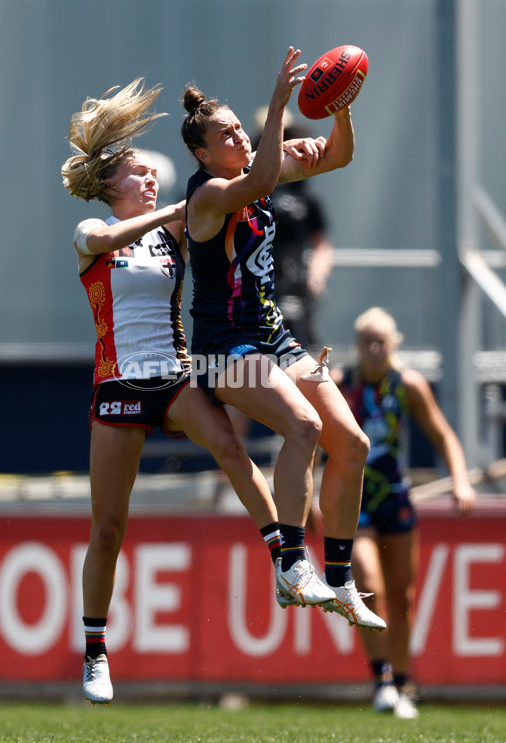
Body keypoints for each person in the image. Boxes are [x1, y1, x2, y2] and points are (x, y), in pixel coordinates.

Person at [61, 79, 285, 705]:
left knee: (228, 446)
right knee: (109, 527)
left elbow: (225, 212)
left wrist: (267, 168)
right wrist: (174, 213)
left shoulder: (174, 232)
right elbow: (106, 243)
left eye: (154, 175)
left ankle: (286, 560)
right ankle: (96, 651)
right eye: (139, 174)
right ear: (109, 183)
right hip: (118, 383)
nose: (151, 180)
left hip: (175, 373)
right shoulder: (91, 230)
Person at [180, 46, 385, 631]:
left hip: (274, 339)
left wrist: (341, 106)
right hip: (224, 351)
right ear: (202, 155)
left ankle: (339, 579)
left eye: (239, 129)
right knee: (304, 427)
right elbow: (264, 177)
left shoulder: (258, 169)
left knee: (352, 444)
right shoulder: (208, 195)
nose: (239, 138)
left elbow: (339, 155)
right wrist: (277, 106)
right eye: (226, 135)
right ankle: (291, 566)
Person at [330, 307, 476, 719]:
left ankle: (402, 683)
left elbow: (443, 436)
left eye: (381, 341)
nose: (375, 349)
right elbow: (312, 441)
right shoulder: (340, 385)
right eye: (368, 342)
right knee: (368, 585)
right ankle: (381, 679)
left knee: (403, 596)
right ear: (358, 345)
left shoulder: (408, 385)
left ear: (394, 344)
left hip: (395, 499)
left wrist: (461, 481)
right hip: (354, 502)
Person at [251, 109, 334, 349]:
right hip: (254, 288)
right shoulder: (248, 188)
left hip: (294, 290)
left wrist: (316, 275)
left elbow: (322, 244)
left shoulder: (306, 198)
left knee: (300, 351)